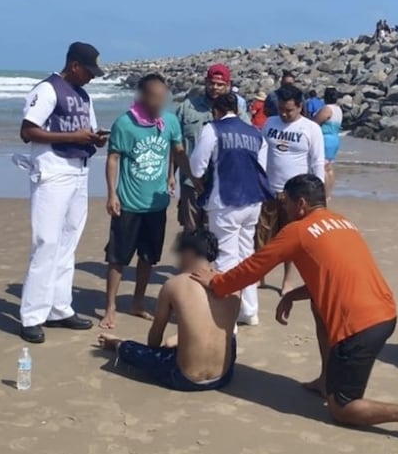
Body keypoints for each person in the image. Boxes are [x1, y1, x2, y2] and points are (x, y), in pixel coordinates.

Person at [190, 175, 398, 450]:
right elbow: (335, 274)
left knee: (342, 409)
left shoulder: (297, 230)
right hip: (384, 312)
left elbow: (255, 267)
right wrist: (293, 294)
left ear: (300, 203)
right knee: (317, 304)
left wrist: (216, 283)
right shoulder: (343, 222)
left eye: (287, 204)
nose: (285, 210)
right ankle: (327, 380)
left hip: (361, 327)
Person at [18, 42, 108, 343]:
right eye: (89, 71)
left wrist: (95, 139)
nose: (92, 77)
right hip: (53, 169)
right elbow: (27, 131)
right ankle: (32, 315)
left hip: (79, 170)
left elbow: (87, 129)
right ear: (74, 66)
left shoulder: (83, 95)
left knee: (69, 241)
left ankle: (59, 307)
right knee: (46, 241)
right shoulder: (47, 89)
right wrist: (73, 136)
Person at [98, 230, 239, 391]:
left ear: (189, 252)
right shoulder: (232, 283)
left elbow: (155, 336)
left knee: (138, 351)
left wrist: (150, 353)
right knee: (229, 336)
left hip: (186, 379)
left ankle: (116, 344)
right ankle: (182, 339)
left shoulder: (174, 285)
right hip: (224, 376)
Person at [101, 74, 185, 329]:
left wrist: (174, 175)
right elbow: (113, 158)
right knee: (118, 258)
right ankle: (110, 307)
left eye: (163, 96)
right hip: (128, 203)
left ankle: (137, 302)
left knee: (148, 257)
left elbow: (176, 149)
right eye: (155, 96)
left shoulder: (169, 121)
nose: (159, 101)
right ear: (143, 95)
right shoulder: (125, 124)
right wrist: (112, 194)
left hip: (156, 204)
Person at [189, 92, 270, 325]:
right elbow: (261, 167)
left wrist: (199, 179)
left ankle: (227, 317)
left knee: (226, 257)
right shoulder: (255, 133)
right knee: (247, 256)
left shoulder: (212, 129)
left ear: (216, 110)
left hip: (225, 200)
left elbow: (197, 166)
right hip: (253, 200)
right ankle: (249, 310)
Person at [257, 85, 326, 295]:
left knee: (292, 240)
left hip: (297, 195)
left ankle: (288, 280)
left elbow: (317, 163)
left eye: (289, 110)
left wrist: (319, 197)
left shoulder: (311, 129)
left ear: (300, 107)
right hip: (269, 189)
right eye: (281, 109)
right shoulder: (270, 123)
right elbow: (261, 153)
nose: (285, 114)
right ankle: (259, 276)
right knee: (261, 236)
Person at [174, 64, 249, 231]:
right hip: (191, 182)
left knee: (217, 232)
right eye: (211, 83)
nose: (215, 88)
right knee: (191, 231)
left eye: (220, 84)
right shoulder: (187, 108)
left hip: (222, 183)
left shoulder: (239, 112)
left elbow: (247, 145)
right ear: (206, 82)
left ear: (228, 85)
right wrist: (169, 177)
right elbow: (175, 145)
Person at [314, 87, 343, 198]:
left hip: (325, 139)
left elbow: (315, 122)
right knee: (329, 167)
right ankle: (328, 194)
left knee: (323, 167)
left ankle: (324, 194)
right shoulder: (338, 109)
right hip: (335, 138)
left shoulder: (327, 109)